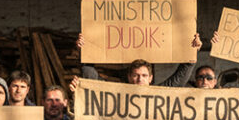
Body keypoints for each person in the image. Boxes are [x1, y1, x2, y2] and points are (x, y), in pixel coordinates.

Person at [72, 33, 202, 89]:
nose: (140, 79)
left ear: (150, 78)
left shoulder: (159, 95)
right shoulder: (116, 93)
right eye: (135, 75)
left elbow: (178, 80)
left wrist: (192, 52)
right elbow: (94, 81)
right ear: (129, 77)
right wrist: (84, 52)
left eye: (144, 75)